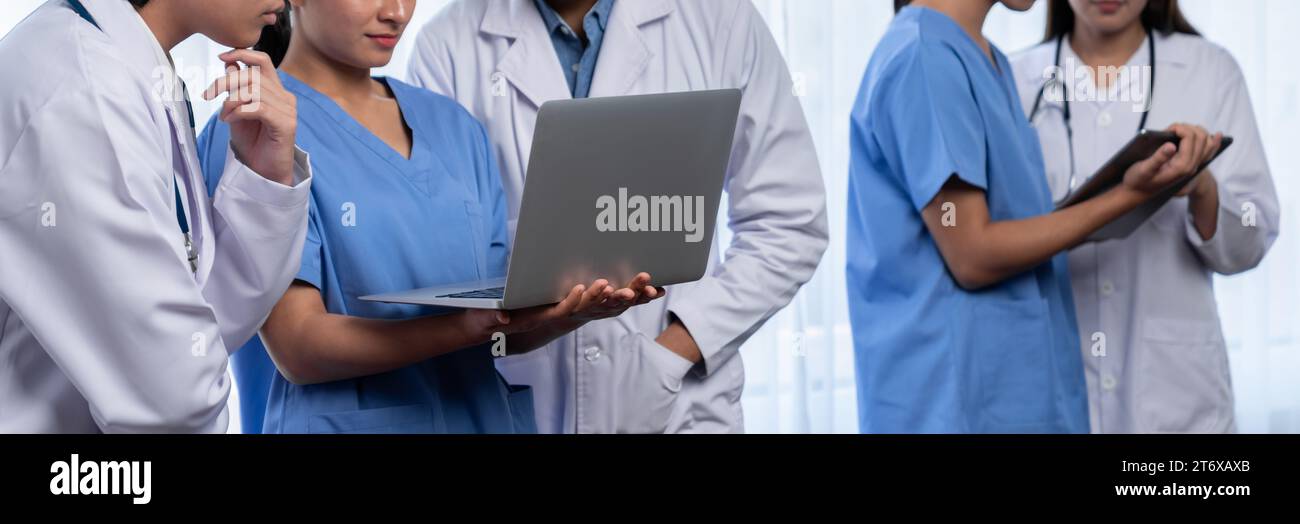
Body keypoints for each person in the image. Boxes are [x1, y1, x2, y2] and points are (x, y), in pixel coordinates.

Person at [199, 0, 661, 434]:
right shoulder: (254, 130)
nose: (397, 12)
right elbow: (299, 348)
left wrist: (575, 310)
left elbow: (500, 329)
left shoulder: (455, 126)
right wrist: (468, 326)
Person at [406, 0, 829, 433]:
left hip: (677, 408)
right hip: (518, 400)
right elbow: (445, 251)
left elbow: (789, 221)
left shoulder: (720, 17)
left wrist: (671, 352)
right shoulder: (447, 44)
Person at [847, 0, 1221, 433]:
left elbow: (1021, 227)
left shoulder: (986, 60)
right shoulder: (923, 59)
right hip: (951, 406)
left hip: (1014, 399)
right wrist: (1128, 195)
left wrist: (1130, 191)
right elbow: (970, 252)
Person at [0, 0, 310, 433]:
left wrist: (266, 180)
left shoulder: (133, 67)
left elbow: (200, 329)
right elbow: (174, 399)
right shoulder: (84, 88)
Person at [1010, 0, 1279, 433]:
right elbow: (991, 240)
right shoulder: (1013, 80)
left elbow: (1253, 231)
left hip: (1176, 401)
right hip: (1051, 392)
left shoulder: (1209, 69)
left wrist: (1204, 188)